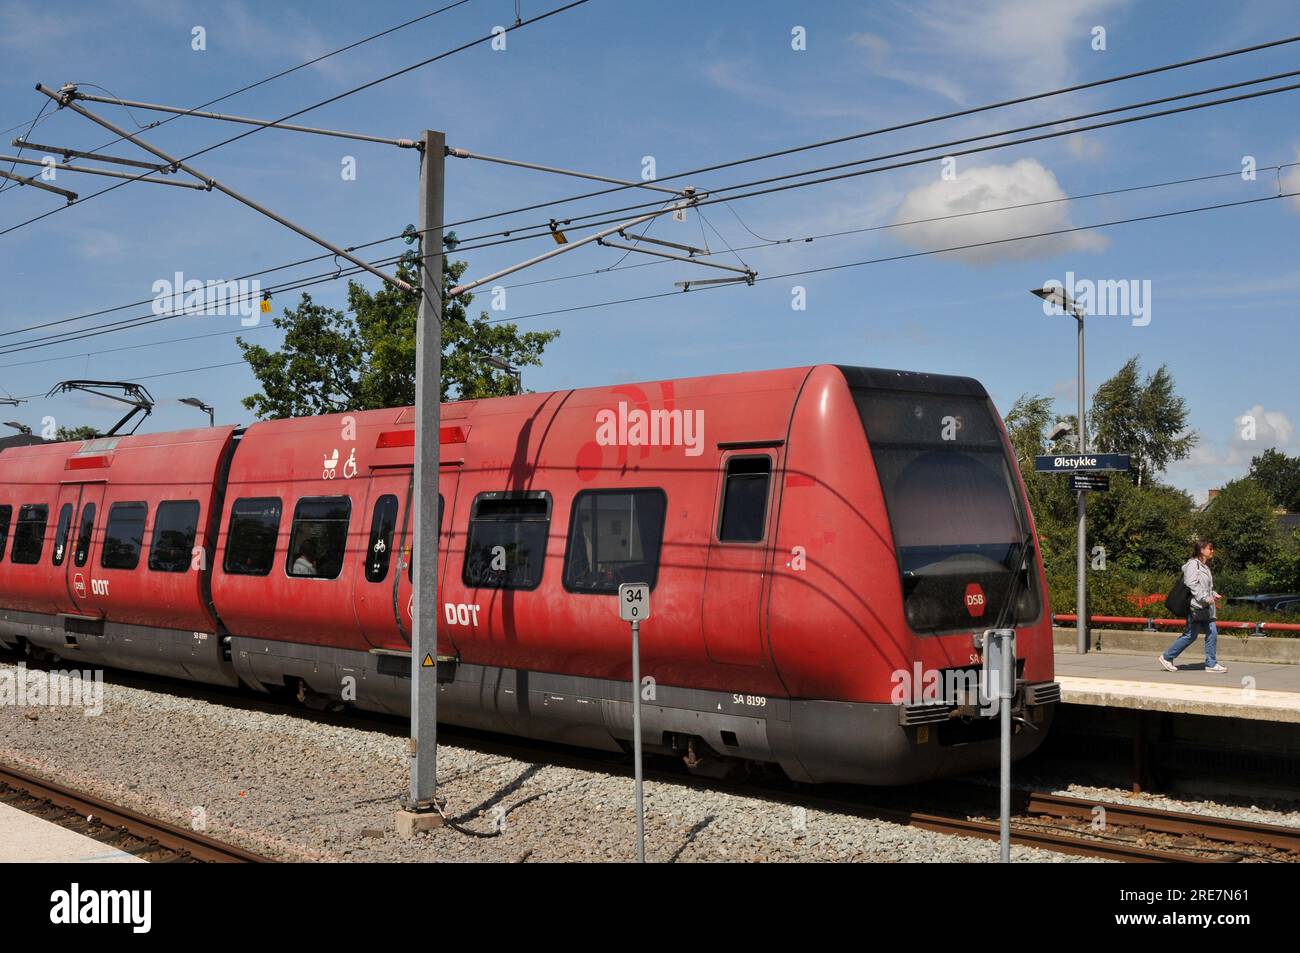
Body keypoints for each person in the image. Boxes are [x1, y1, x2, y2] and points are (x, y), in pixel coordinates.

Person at [1159, 539, 1227, 673]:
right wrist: (1205, 598)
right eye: (1210, 548)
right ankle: (1167, 657)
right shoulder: (1192, 565)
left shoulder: (1204, 566)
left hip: (1206, 606)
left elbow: (1204, 587)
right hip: (1197, 606)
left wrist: (1213, 593)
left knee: (1211, 632)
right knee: (1191, 635)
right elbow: (1192, 584)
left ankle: (1211, 664)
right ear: (1201, 550)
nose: (1212, 551)